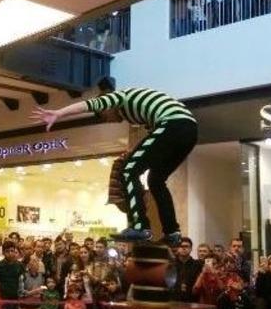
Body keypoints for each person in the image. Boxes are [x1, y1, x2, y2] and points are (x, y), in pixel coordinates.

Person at [32, 76, 197, 244]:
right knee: (156, 180)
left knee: (128, 170)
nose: (110, 121)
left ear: (106, 107)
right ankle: (172, 232)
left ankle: (140, 227)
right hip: (190, 131)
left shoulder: (119, 97)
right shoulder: (135, 112)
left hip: (173, 125)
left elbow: (87, 105)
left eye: (104, 117)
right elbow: (154, 140)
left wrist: (59, 113)